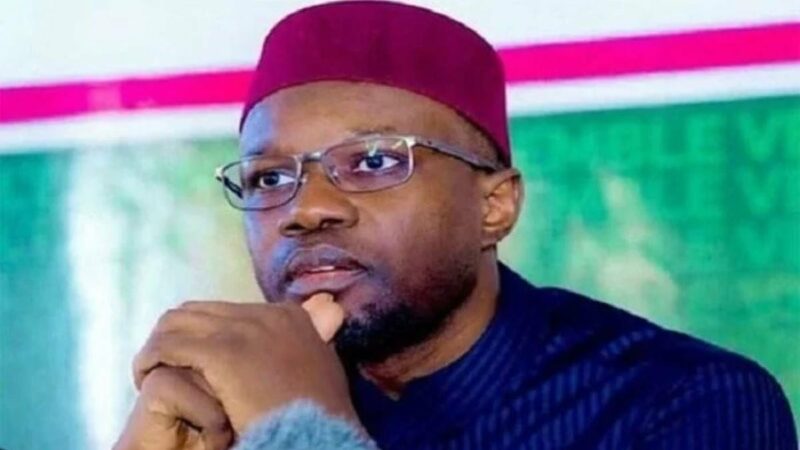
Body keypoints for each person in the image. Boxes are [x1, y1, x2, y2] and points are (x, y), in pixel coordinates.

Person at [114, 1, 798, 449]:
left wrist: (299, 429)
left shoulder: (680, 402)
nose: (305, 208)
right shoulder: (225, 412)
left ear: (494, 206)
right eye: (269, 178)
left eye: (374, 161)